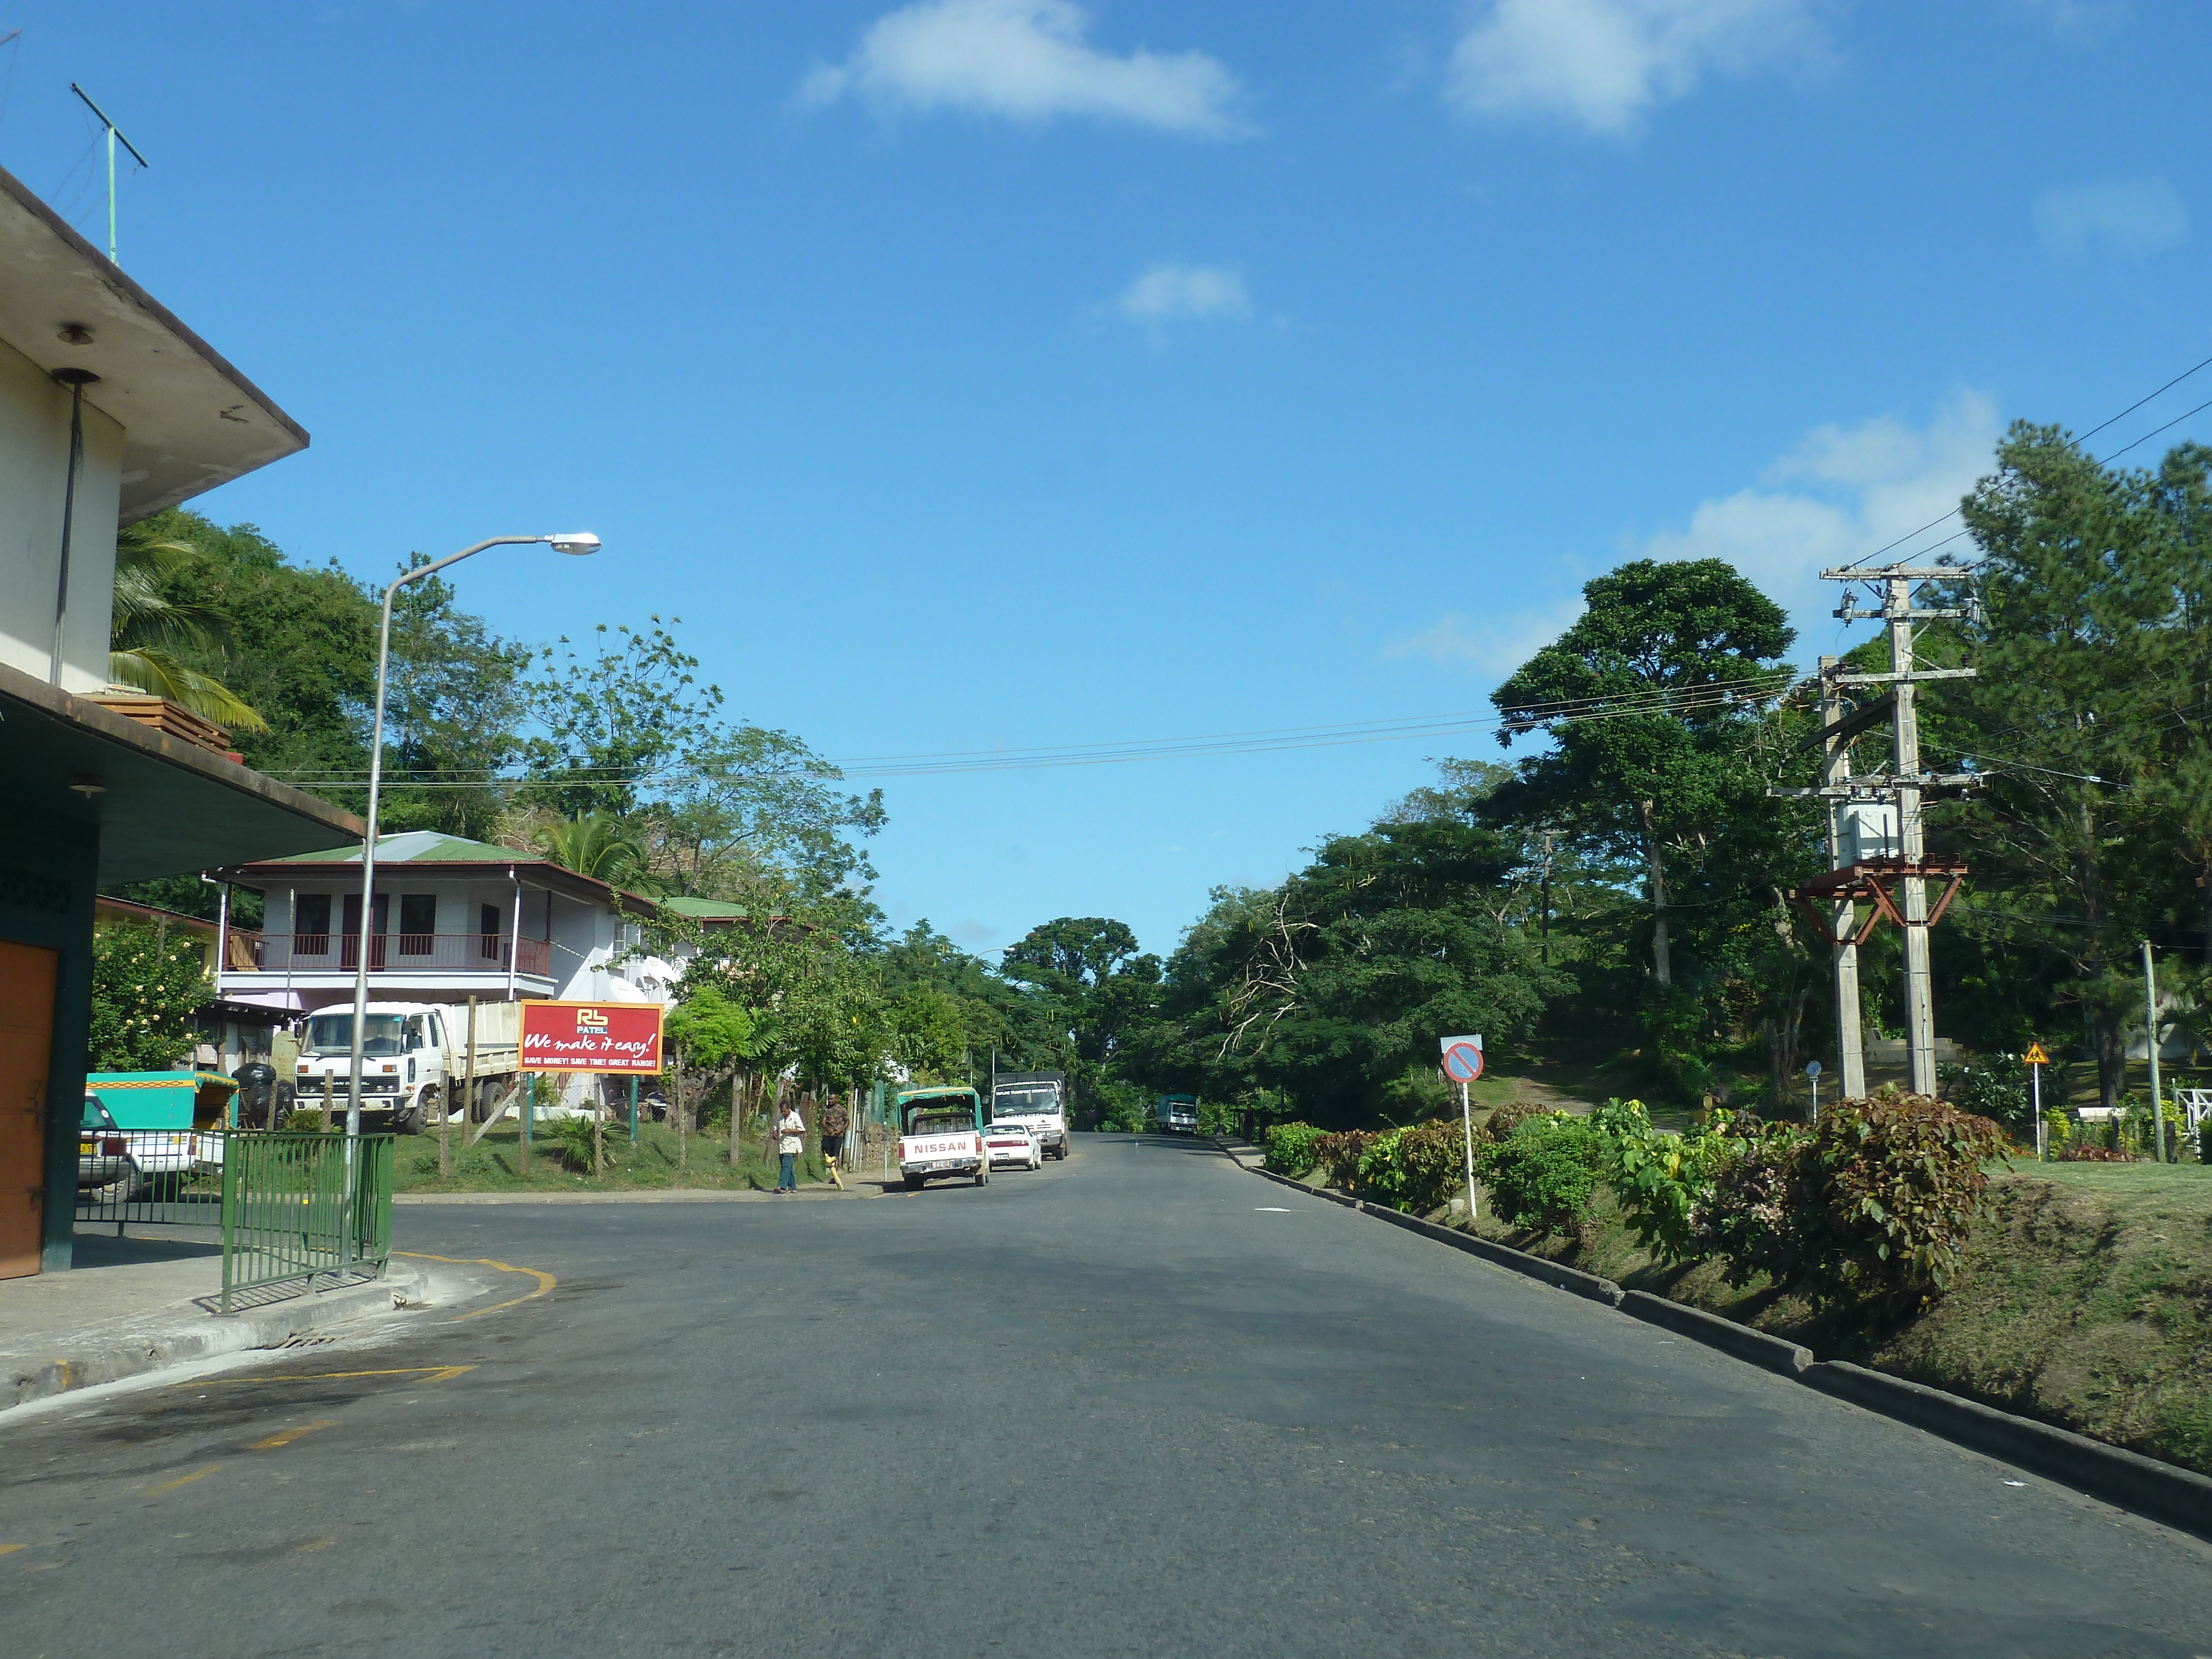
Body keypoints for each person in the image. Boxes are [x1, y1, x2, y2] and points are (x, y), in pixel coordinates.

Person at [818, 1092, 849, 1190]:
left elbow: (847, 1121)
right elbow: (823, 1121)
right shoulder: (826, 1109)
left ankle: (834, 1176)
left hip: (838, 1135)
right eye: (829, 1099)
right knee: (827, 1153)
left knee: (836, 1154)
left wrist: (841, 1130)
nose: (830, 1101)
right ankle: (830, 1170)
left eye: (832, 1099)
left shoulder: (842, 1110)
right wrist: (828, 1129)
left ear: (836, 1099)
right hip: (828, 1134)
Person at [775, 1096, 805, 1193]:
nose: (783, 1113)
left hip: (791, 1145)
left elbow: (802, 1130)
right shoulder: (780, 1118)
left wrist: (790, 1130)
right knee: (788, 1167)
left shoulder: (795, 1117)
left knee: (786, 1166)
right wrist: (775, 1132)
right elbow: (776, 1126)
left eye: (785, 1111)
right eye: (782, 1111)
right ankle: (793, 1188)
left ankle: (781, 1186)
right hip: (782, 1145)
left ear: (789, 1109)